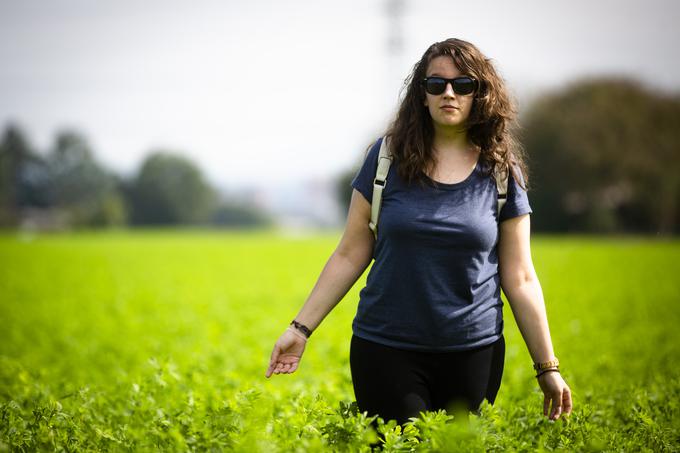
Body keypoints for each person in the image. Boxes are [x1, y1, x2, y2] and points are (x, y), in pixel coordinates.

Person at [265, 38, 572, 427]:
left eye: (463, 85)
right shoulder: (385, 159)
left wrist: (547, 366)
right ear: (421, 94)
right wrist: (300, 329)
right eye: (436, 84)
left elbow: (521, 276)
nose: (449, 93)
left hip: (473, 352)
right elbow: (350, 252)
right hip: (385, 348)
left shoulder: (501, 171)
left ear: (480, 94)